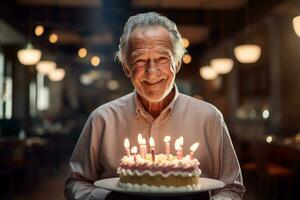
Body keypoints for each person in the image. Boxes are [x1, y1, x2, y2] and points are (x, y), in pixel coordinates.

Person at [65, 12, 245, 200]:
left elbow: (231, 187)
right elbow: (75, 183)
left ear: (177, 63)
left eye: (162, 59)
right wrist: (107, 198)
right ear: (127, 67)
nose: (151, 71)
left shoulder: (209, 118)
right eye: (140, 60)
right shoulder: (102, 119)